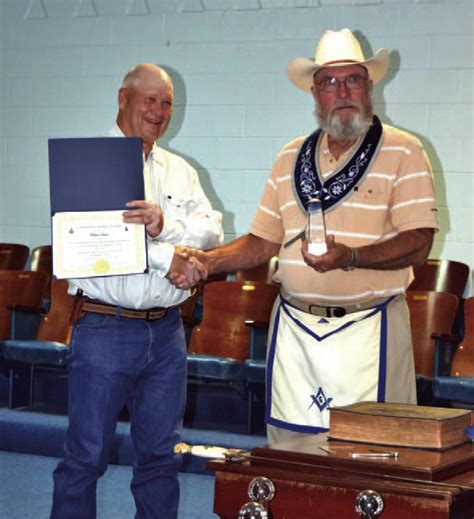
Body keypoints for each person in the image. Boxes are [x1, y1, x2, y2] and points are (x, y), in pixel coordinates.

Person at [170, 29, 439, 444]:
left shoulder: (404, 150)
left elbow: (420, 243)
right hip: (295, 330)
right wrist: (209, 262)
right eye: (330, 82)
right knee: (292, 454)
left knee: (372, 454)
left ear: (370, 86)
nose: (343, 91)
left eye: (353, 79)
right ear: (315, 93)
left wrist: (350, 257)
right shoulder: (289, 156)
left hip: (371, 328)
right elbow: (262, 242)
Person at [51, 64, 223, 519]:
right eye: (149, 99)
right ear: (122, 97)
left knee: (160, 460)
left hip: (167, 333)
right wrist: (172, 258)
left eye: (166, 103)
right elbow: (94, 242)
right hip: (106, 327)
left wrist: (166, 225)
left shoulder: (181, 170)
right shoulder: (87, 162)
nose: (159, 111)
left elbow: (212, 232)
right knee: (85, 459)